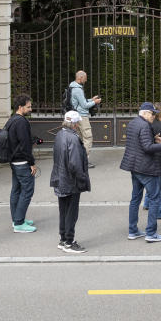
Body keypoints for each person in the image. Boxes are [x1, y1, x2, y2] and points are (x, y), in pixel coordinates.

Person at [119, 102, 161, 243]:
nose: (153, 115)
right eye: (151, 113)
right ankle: (151, 233)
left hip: (134, 166)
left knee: (135, 198)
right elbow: (146, 147)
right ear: (144, 113)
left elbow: (140, 142)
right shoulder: (145, 125)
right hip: (147, 168)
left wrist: (155, 139)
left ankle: (133, 231)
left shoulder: (133, 123)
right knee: (155, 199)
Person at [51, 111, 92, 253]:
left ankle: (63, 239)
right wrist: (82, 179)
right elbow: (75, 164)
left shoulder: (60, 135)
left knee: (63, 211)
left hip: (60, 179)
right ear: (75, 124)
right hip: (71, 181)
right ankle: (69, 242)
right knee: (71, 212)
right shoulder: (73, 138)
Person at [7, 95, 37, 233]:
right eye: (28, 106)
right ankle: (19, 223)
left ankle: (17, 219)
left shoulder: (12, 120)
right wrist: (32, 163)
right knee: (27, 191)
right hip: (22, 161)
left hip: (14, 160)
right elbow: (25, 145)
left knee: (16, 190)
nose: (31, 109)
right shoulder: (21, 122)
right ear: (20, 107)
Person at [142, 103, 161, 219]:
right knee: (158, 186)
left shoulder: (153, 124)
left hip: (153, 158)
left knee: (153, 183)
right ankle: (158, 212)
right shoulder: (160, 126)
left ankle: (147, 203)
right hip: (160, 159)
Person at [69, 70, 101, 168]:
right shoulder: (78, 89)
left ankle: (78, 160)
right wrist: (95, 102)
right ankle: (83, 161)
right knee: (88, 138)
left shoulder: (73, 87)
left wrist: (91, 99)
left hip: (76, 116)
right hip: (81, 116)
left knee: (81, 138)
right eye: (85, 78)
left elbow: (81, 102)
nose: (86, 80)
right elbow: (84, 105)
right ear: (80, 78)